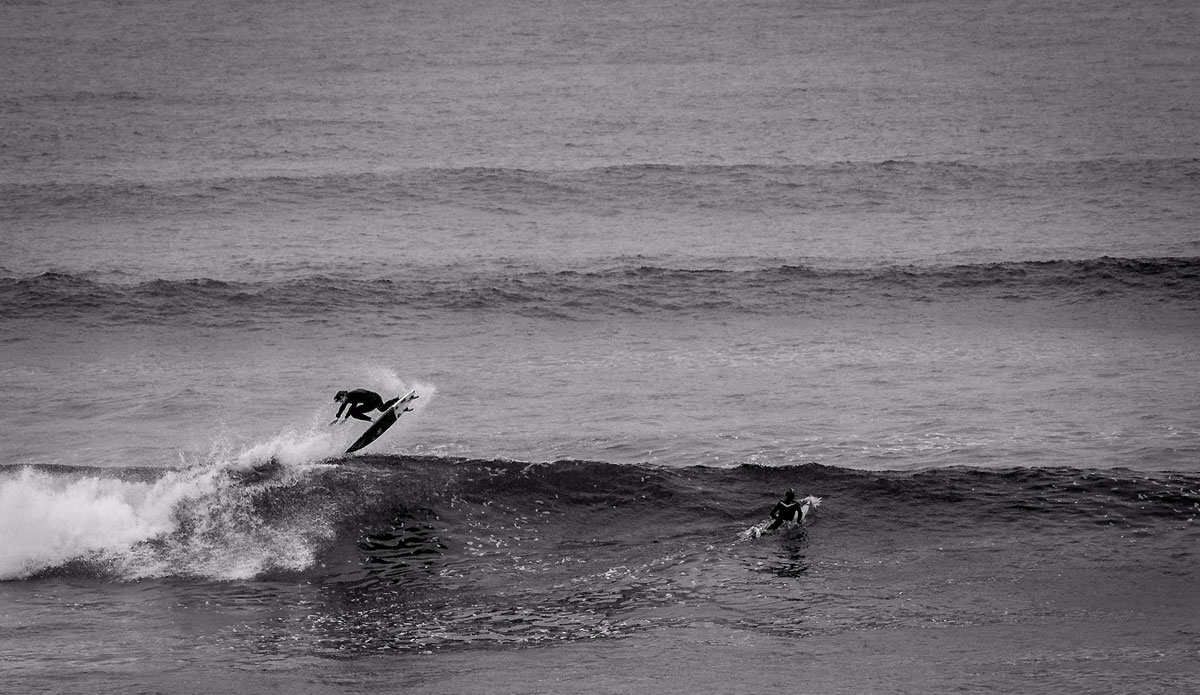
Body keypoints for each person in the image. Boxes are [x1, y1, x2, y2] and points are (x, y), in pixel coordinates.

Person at [330, 389, 399, 424]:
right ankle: (397, 400)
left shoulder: (353, 395)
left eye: (340, 400)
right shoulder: (348, 396)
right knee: (382, 408)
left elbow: (352, 407)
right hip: (376, 397)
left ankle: (372, 420)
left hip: (373, 400)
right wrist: (337, 417)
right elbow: (343, 407)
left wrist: (346, 418)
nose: (340, 402)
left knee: (354, 413)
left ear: (343, 396)